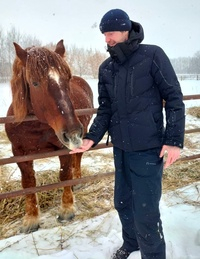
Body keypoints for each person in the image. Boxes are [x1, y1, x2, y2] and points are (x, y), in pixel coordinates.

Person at [70, 9, 185, 259]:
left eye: (110, 33)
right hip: (120, 148)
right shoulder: (106, 68)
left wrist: (174, 140)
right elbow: (106, 110)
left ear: (125, 30)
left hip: (147, 148)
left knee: (146, 212)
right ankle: (131, 243)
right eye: (104, 34)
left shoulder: (152, 55)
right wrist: (92, 137)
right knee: (122, 202)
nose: (106, 39)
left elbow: (174, 97)